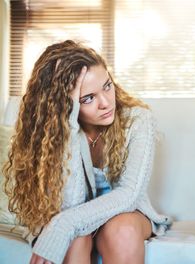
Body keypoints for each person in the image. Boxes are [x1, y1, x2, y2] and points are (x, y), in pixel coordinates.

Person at [3, 40, 172, 264]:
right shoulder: (58, 132)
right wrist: (69, 125)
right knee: (75, 239)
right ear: (64, 104)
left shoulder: (139, 120)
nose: (105, 103)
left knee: (121, 231)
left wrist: (64, 225)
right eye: (88, 98)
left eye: (107, 86)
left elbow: (128, 195)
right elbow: (69, 204)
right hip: (72, 214)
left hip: (124, 214)